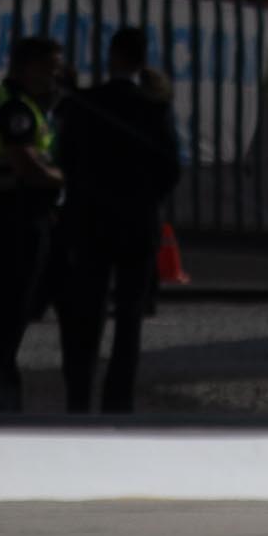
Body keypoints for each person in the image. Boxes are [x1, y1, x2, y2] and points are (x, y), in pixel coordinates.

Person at [49, 29, 178, 413]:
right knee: (129, 315)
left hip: (91, 219)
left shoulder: (87, 104)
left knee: (85, 312)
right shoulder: (154, 108)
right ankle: (117, 399)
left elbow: (64, 156)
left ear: (112, 56)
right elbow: (170, 168)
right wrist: (146, 198)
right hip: (137, 221)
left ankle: (79, 394)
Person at [0, 34, 65, 411]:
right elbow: (27, 166)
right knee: (10, 309)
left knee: (12, 309)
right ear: (29, 67)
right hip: (16, 217)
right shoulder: (16, 109)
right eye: (50, 68)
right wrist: (68, 178)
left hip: (15, 216)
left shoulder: (19, 104)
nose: (54, 76)